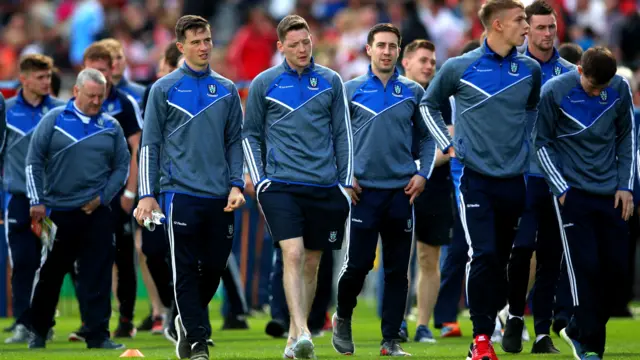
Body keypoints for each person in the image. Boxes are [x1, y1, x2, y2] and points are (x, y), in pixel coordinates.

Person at [420, 0, 541, 358]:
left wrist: (527, 151)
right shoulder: (459, 66)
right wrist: (447, 142)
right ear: (498, 25)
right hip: (475, 180)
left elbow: (532, 111)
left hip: (515, 180)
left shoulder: (530, 70)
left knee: (505, 258)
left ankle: (502, 318)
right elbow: (427, 105)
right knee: (483, 254)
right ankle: (481, 337)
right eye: (521, 20)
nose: (526, 27)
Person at [134, 15, 245, 360]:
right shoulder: (163, 89)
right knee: (183, 267)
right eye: (196, 41)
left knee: (213, 267)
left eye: (208, 40)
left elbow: (235, 142)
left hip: (219, 195)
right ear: (181, 47)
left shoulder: (226, 89)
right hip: (178, 193)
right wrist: (147, 194)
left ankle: (184, 318)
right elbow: (149, 144)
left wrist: (237, 184)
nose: (204, 47)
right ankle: (197, 340)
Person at [242, 14, 353, 359]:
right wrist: (260, 182)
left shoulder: (331, 81)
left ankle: (294, 339)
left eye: (306, 42)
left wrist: (345, 184)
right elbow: (250, 135)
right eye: (295, 44)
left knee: (312, 263)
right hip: (281, 185)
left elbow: (343, 135)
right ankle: (304, 330)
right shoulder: (264, 82)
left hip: (324, 185)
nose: (303, 49)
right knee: (292, 253)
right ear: (281, 47)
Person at [331, 23, 435, 357]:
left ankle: (390, 340)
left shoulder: (414, 92)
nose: (387, 51)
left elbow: (429, 138)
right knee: (357, 266)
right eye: (381, 45)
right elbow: (334, 139)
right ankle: (342, 317)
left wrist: (423, 175)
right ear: (369, 49)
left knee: (397, 271)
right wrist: (345, 175)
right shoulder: (350, 90)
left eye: (392, 46)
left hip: (400, 193)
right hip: (363, 194)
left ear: (398, 52)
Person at [534, 46, 635, 360]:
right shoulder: (554, 91)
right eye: (593, 86)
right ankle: (590, 344)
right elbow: (541, 143)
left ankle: (578, 327)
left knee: (619, 271)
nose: (598, 92)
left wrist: (626, 186)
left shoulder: (619, 88)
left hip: (612, 193)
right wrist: (561, 188)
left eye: (603, 87)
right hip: (573, 192)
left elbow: (627, 136)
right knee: (585, 267)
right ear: (579, 70)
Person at [23, 68, 130, 350]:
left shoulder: (111, 126)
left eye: (101, 95)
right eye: (92, 95)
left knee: (98, 274)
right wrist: (37, 201)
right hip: (57, 211)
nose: (97, 101)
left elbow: (122, 166)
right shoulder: (54, 120)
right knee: (50, 274)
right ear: (76, 92)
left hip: (97, 213)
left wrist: (104, 197)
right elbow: (33, 161)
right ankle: (39, 331)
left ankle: (98, 336)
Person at [502, 0, 576, 354]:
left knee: (551, 255)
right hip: (523, 175)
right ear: (527, 29)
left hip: (556, 178)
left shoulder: (570, 73)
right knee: (520, 252)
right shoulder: (514, 69)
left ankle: (543, 331)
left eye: (552, 27)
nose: (548, 34)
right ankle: (515, 315)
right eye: (541, 28)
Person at [66, 43, 143, 341]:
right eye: (92, 69)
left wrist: (129, 193)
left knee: (123, 257)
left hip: (117, 194)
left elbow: (136, 149)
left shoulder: (124, 104)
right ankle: (91, 320)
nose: (99, 74)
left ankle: (125, 318)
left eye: (103, 69)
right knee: (82, 259)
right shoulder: (71, 107)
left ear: (112, 70)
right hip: (84, 195)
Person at [2, 54, 64, 344]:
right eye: (40, 77)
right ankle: (24, 322)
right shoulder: (7, 112)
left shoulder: (61, 112)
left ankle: (43, 321)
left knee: (50, 265)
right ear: (23, 79)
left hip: (52, 202)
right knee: (23, 261)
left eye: (48, 77)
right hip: (17, 199)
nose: (46, 82)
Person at [402, 39, 453, 344]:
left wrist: (416, 168)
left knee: (428, 257)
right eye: (423, 60)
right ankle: (395, 322)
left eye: (432, 61)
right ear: (405, 62)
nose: (429, 66)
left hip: (433, 184)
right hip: (398, 184)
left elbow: (450, 144)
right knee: (399, 256)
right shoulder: (395, 94)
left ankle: (422, 325)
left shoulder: (441, 98)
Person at [431, 39, 481, 339]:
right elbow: (446, 140)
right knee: (458, 250)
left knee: (489, 252)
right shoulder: (451, 100)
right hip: (458, 183)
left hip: (490, 178)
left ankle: (495, 317)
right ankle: (447, 315)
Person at [98, 38, 146, 105]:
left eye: (119, 57)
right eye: (110, 58)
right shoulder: (94, 96)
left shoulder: (142, 92)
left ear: (126, 60)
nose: (115, 62)